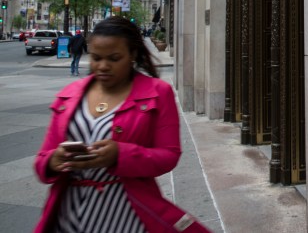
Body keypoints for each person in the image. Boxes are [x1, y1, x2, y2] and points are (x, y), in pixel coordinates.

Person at [34, 17, 210, 232]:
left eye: (114, 58)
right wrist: (54, 160)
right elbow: (42, 160)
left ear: (132, 55)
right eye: (96, 58)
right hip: (68, 215)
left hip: (124, 214)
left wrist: (120, 154)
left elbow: (169, 155)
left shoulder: (158, 93)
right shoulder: (68, 97)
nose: (103, 66)